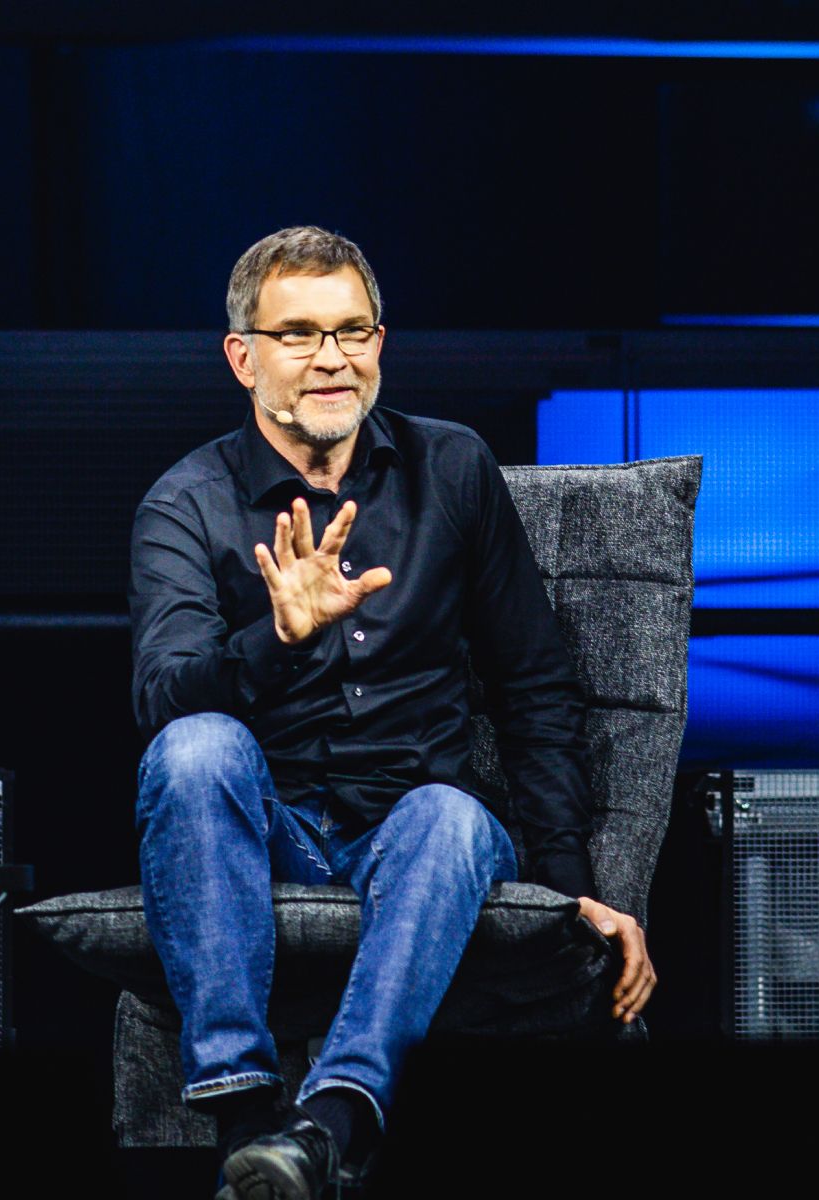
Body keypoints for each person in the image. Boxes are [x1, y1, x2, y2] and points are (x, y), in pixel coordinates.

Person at [131, 226, 654, 1199]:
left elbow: (534, 683)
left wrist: (569, 884)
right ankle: (249, 1116)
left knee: (452, 816)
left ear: (381, 342)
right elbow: (159, 705)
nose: (331, 357)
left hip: (417, 830)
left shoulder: (451, 469)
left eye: (352, 329)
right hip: (271, 832)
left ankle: (329, 1124)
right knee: (195, 749)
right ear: (243, 357)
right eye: (298, 334)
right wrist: (276, 641)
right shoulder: (186, 504)